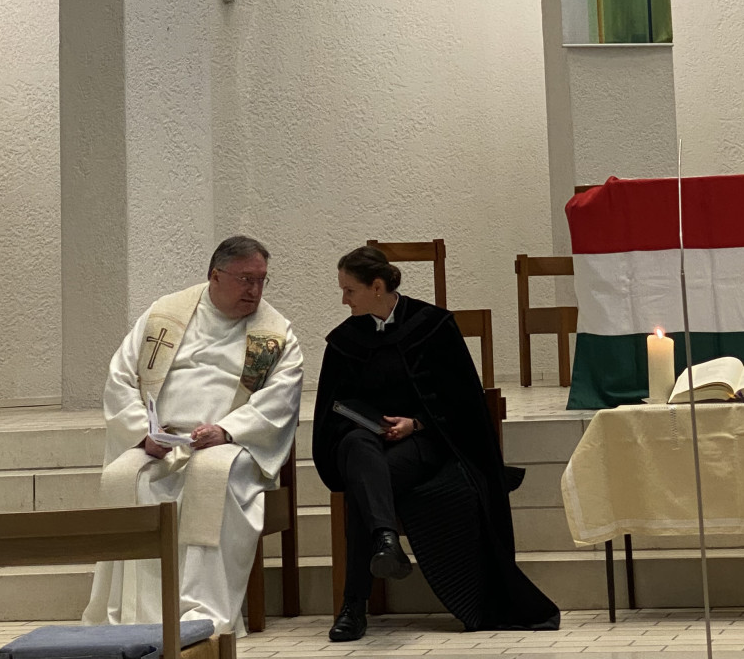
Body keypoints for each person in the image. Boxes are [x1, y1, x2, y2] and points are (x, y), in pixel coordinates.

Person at [313, 245, 560, 642]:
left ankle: (353, 607)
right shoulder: (346, 340)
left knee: (365, 486)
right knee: (357, 447)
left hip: (422, 442)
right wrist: (366, 424)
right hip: (365, 444)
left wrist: (415, 423)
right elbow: (332, 410)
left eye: (349, 290)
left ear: (376, 287)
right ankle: (385, 540)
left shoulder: (431, 326)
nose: (344, 299)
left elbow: (462, 402)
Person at [82, 235, 303, 634]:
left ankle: (200, 616)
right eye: (245, 279)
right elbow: (120, 378)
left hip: (227, 444)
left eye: (261, 280)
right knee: (127, 479)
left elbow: (281, 398)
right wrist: (143, 433)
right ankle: (140, 616)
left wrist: (227, 430)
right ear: (215, 276)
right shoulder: (165, 315)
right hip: (161, 441)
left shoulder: (275, 333)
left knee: (211, 476)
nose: (254, 290)